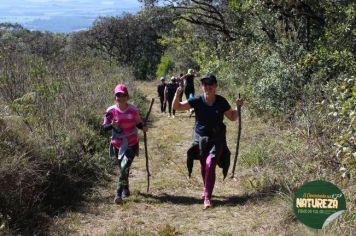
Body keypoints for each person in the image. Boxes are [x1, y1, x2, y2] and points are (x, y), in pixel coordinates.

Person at [173, 73, 243, 209]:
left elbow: (232, 117)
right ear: (202, 86)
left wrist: (238, 107)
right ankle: (206, 188)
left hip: (217, 138)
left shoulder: (221, 101)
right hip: (200, 138)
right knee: (204, 165)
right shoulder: (197, 100)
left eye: (211, 84)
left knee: (210, 164)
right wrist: (178, 92)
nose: (208, 86)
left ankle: (207, 197)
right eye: (205, 84)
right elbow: (177, 107)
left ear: (216, 86)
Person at [103, 83, 148, 204]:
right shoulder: (110, 111)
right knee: (123, 167)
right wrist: (111, 125)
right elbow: (104, 127)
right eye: (118, 95)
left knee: (124, 167)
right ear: (115, 97)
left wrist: (143, 127)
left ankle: (118, 193)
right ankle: (126, 188)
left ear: (127, 97)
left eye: (123, 95)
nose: (121, 98)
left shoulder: (133, 110)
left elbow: (138, 123)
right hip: (117, 143)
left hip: (131, 143)